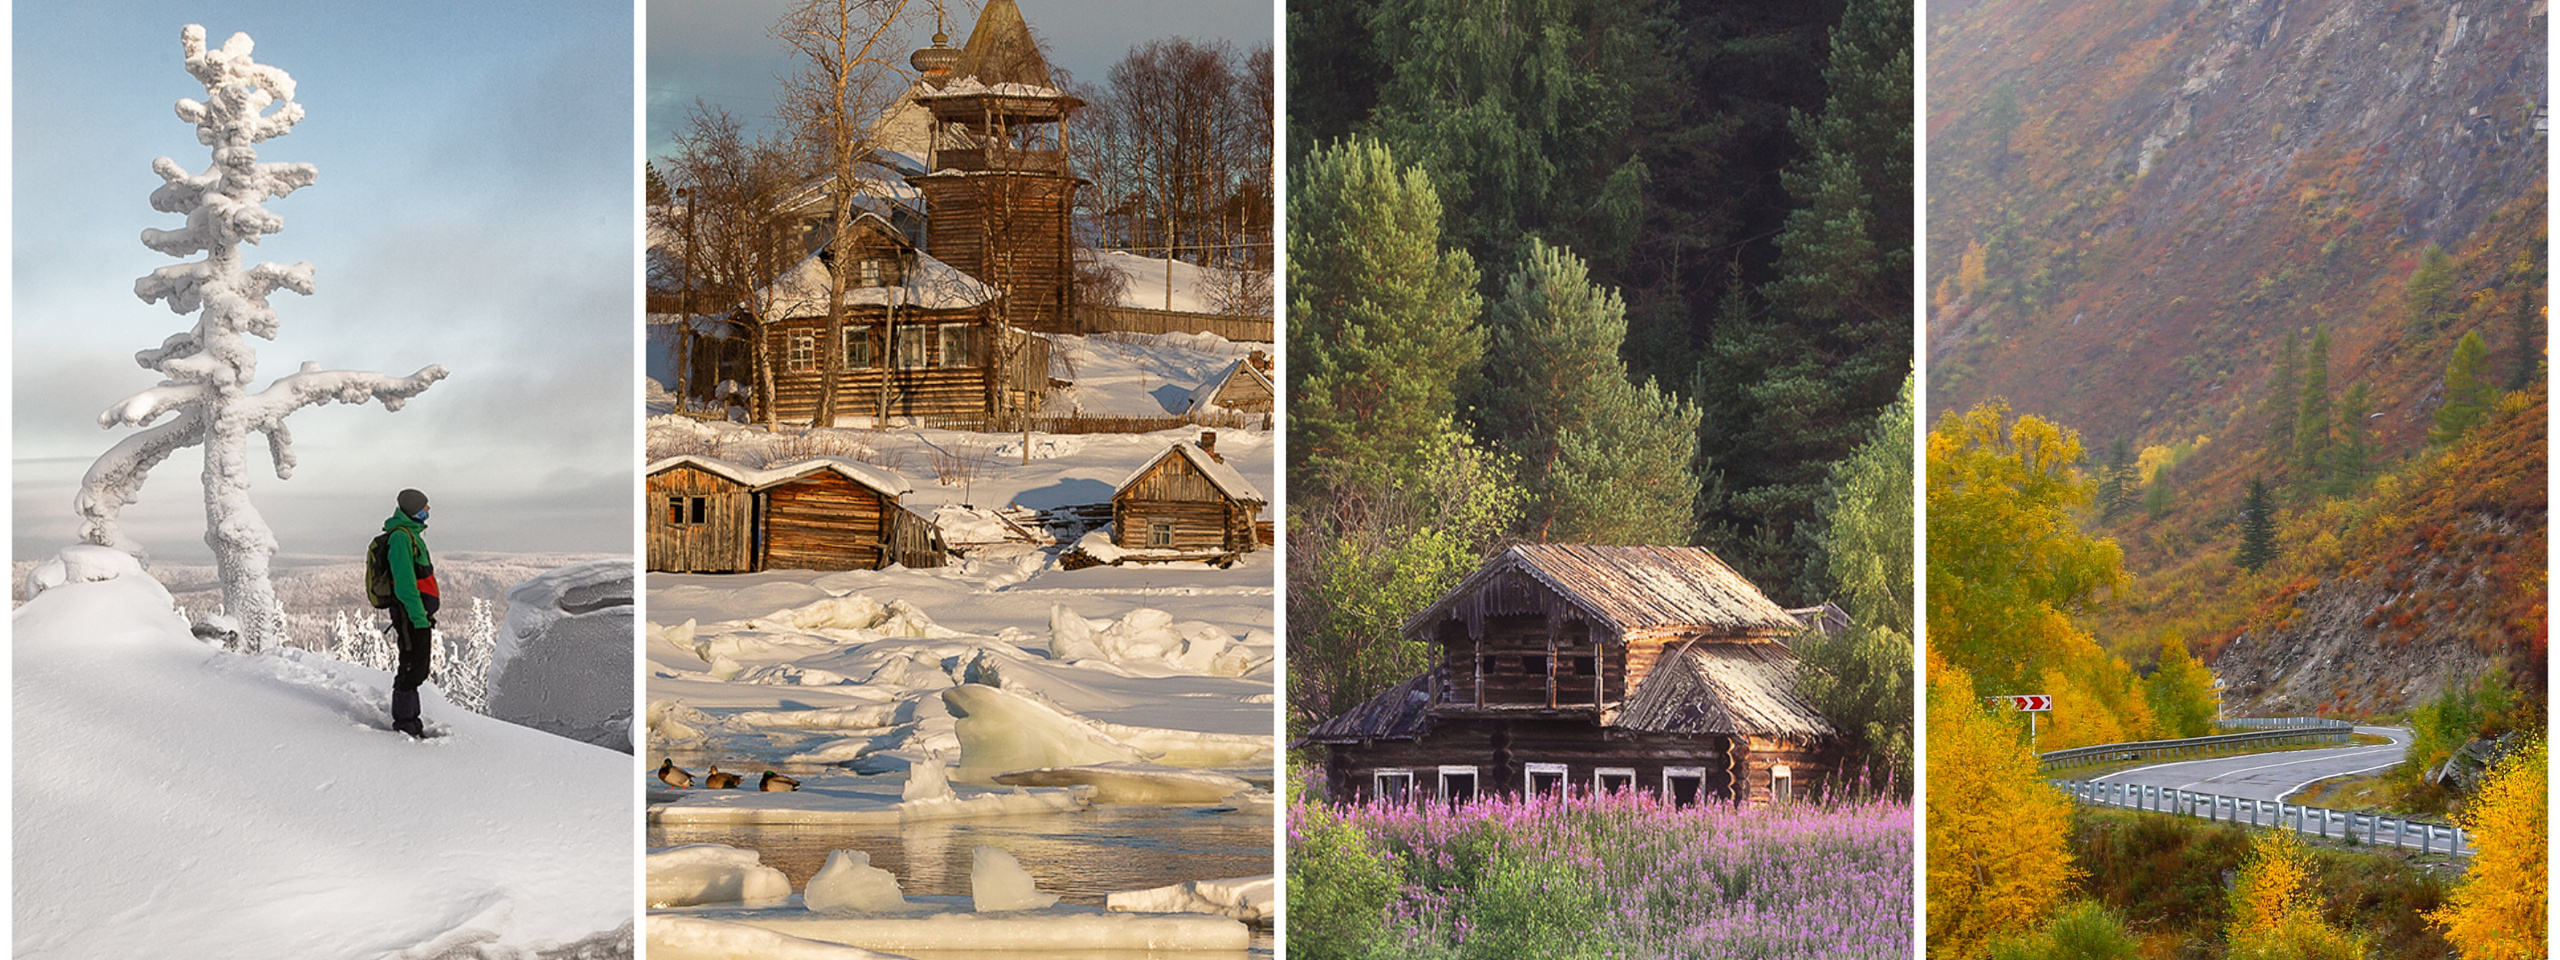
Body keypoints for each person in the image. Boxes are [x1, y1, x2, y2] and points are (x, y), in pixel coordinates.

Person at [385, 488, 440, 738]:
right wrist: (418, 616)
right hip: (410, 615)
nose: (427, 511)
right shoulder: (401, 537)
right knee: (410, 668)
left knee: (417, 668)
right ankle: (405, 724)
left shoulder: (412, 535)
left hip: (418, 616)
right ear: (412, 509)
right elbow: (405, 584)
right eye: (424, 507)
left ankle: (412, 722)